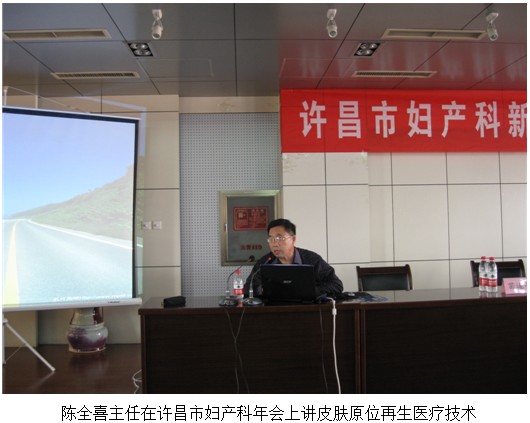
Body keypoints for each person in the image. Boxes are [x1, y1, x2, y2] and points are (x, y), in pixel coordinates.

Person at [244, 218, 343, 297]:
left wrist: (308, 291)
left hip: (307, 309)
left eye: (279, 238)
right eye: (271, 239)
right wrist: (266, 290)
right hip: (275, 310)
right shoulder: (265, 261)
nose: (274, 244)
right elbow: (248, 288)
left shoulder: (312, 259)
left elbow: (336, 285)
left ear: (293, 239)